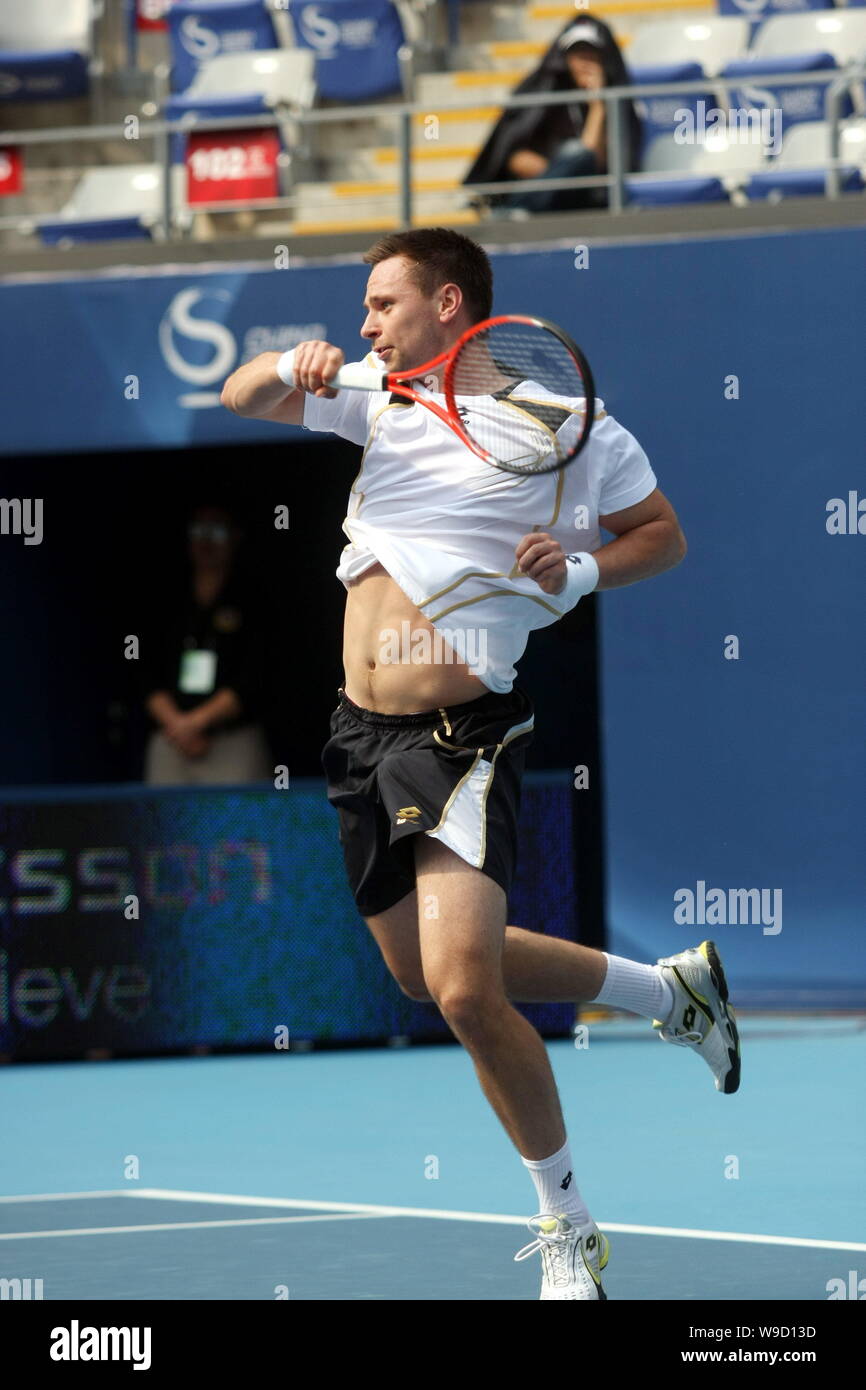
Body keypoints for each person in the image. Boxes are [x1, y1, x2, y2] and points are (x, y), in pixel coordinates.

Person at [220, 227, 741, 1300]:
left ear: (448, 303)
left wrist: (583, 566)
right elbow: (238, 397)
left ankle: (567, 1232)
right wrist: (289, 365)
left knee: (462, 990)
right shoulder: (377, 390)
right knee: (422, 973)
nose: (365, 325)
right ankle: (667, 991)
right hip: (356, 732)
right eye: (361, 312)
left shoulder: (566, 423)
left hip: (459, 736)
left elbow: (661, 533)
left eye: (381, 305)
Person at [142, 502, 272, 785]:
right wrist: (178, 726)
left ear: (235, 536)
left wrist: (197, 722)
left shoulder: (254, 598)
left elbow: (256, 675)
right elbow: (143, 670)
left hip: (233, 741)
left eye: (217, 531)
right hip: (170, 739)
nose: (207, 540)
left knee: (240, 825)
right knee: (161, 823)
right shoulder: (164, 596)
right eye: (199, 530)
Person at [464, 14, 642, 217]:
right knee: (572, 154)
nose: (585, 63)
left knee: (576, 152)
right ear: (565, 59)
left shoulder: (614, 102)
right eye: (577, 55)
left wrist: (597, 106)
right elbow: (516, 158)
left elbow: (595, 158)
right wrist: (557, 173)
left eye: (591, 55)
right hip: (547, 198)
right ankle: (517, 208)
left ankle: (513, 210)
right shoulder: (544, 96)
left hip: (588, 197)